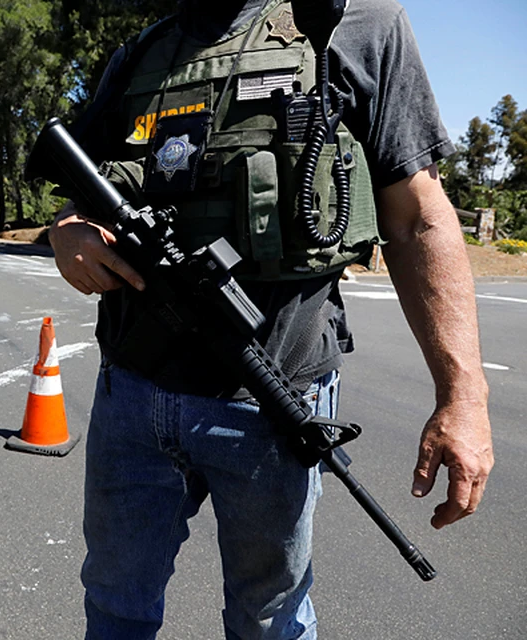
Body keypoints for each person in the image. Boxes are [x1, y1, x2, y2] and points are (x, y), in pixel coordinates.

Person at [46, 0, 495, 638]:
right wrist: (66, 231)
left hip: (273, 399)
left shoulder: (358, 25)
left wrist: (464, 396)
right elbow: (77, 187)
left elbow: (419, 218)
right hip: (132, 395)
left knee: (270, 620)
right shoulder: (143, 54)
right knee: (115, 605)